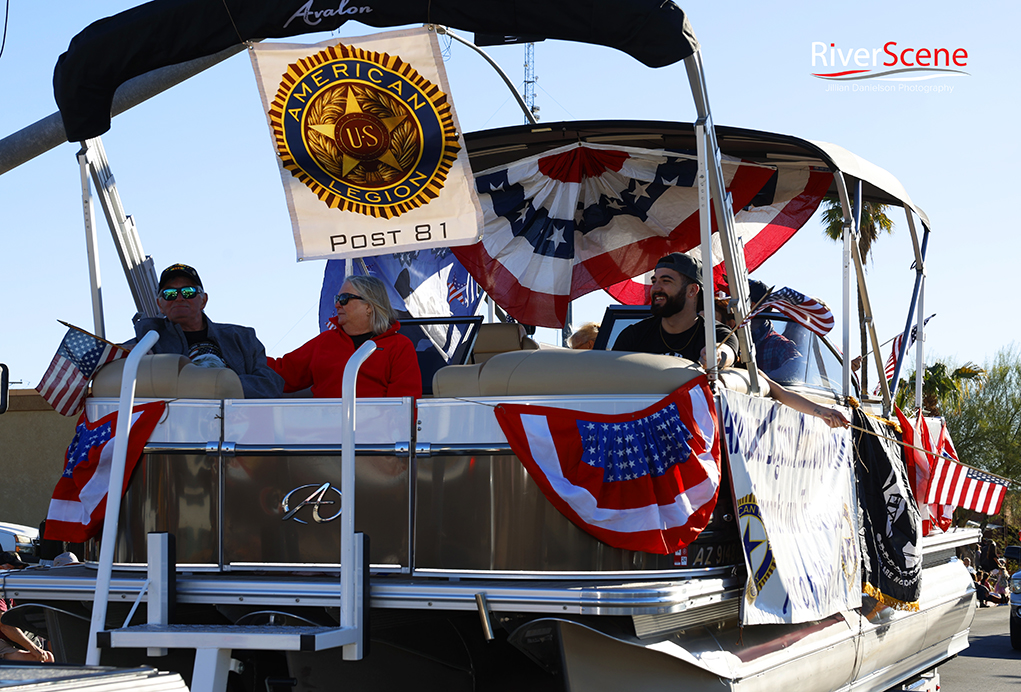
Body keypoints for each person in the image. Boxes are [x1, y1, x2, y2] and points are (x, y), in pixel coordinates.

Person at [130, 264, 284, 399]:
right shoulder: (146, 341)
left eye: (188, 292)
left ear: (203, 300)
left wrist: (219, 385)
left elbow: (270, 384)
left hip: (237, 422)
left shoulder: (242, 338)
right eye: (169, 294)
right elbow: (111, 358)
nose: (179, 298)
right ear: (160, 304)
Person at [268, 275, 422, 398]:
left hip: (374, 435)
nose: (337, 305)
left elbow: (403, 406)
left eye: (344, 299)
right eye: (337, 299)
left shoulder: (398, 346)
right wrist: (245, 350)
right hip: (321, 433)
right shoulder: (324, 342)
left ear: (368, 306)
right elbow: (282, 373)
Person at [613, 253, 737, 370]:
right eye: (654, 281)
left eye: (666, 281)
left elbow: (727, 352)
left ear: (692, 290)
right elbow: (611, 374)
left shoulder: (716, 334)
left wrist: (716, 354)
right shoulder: (634, 335)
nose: (655, 288)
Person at [0, 552, 54, 662]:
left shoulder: (8, 589)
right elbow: (5, 625)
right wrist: (34, 649)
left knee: (48, 657)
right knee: (36, 659)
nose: (17, 573)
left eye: (19, 569)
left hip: (8, 639)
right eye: (13, 569)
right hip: (3, 640)